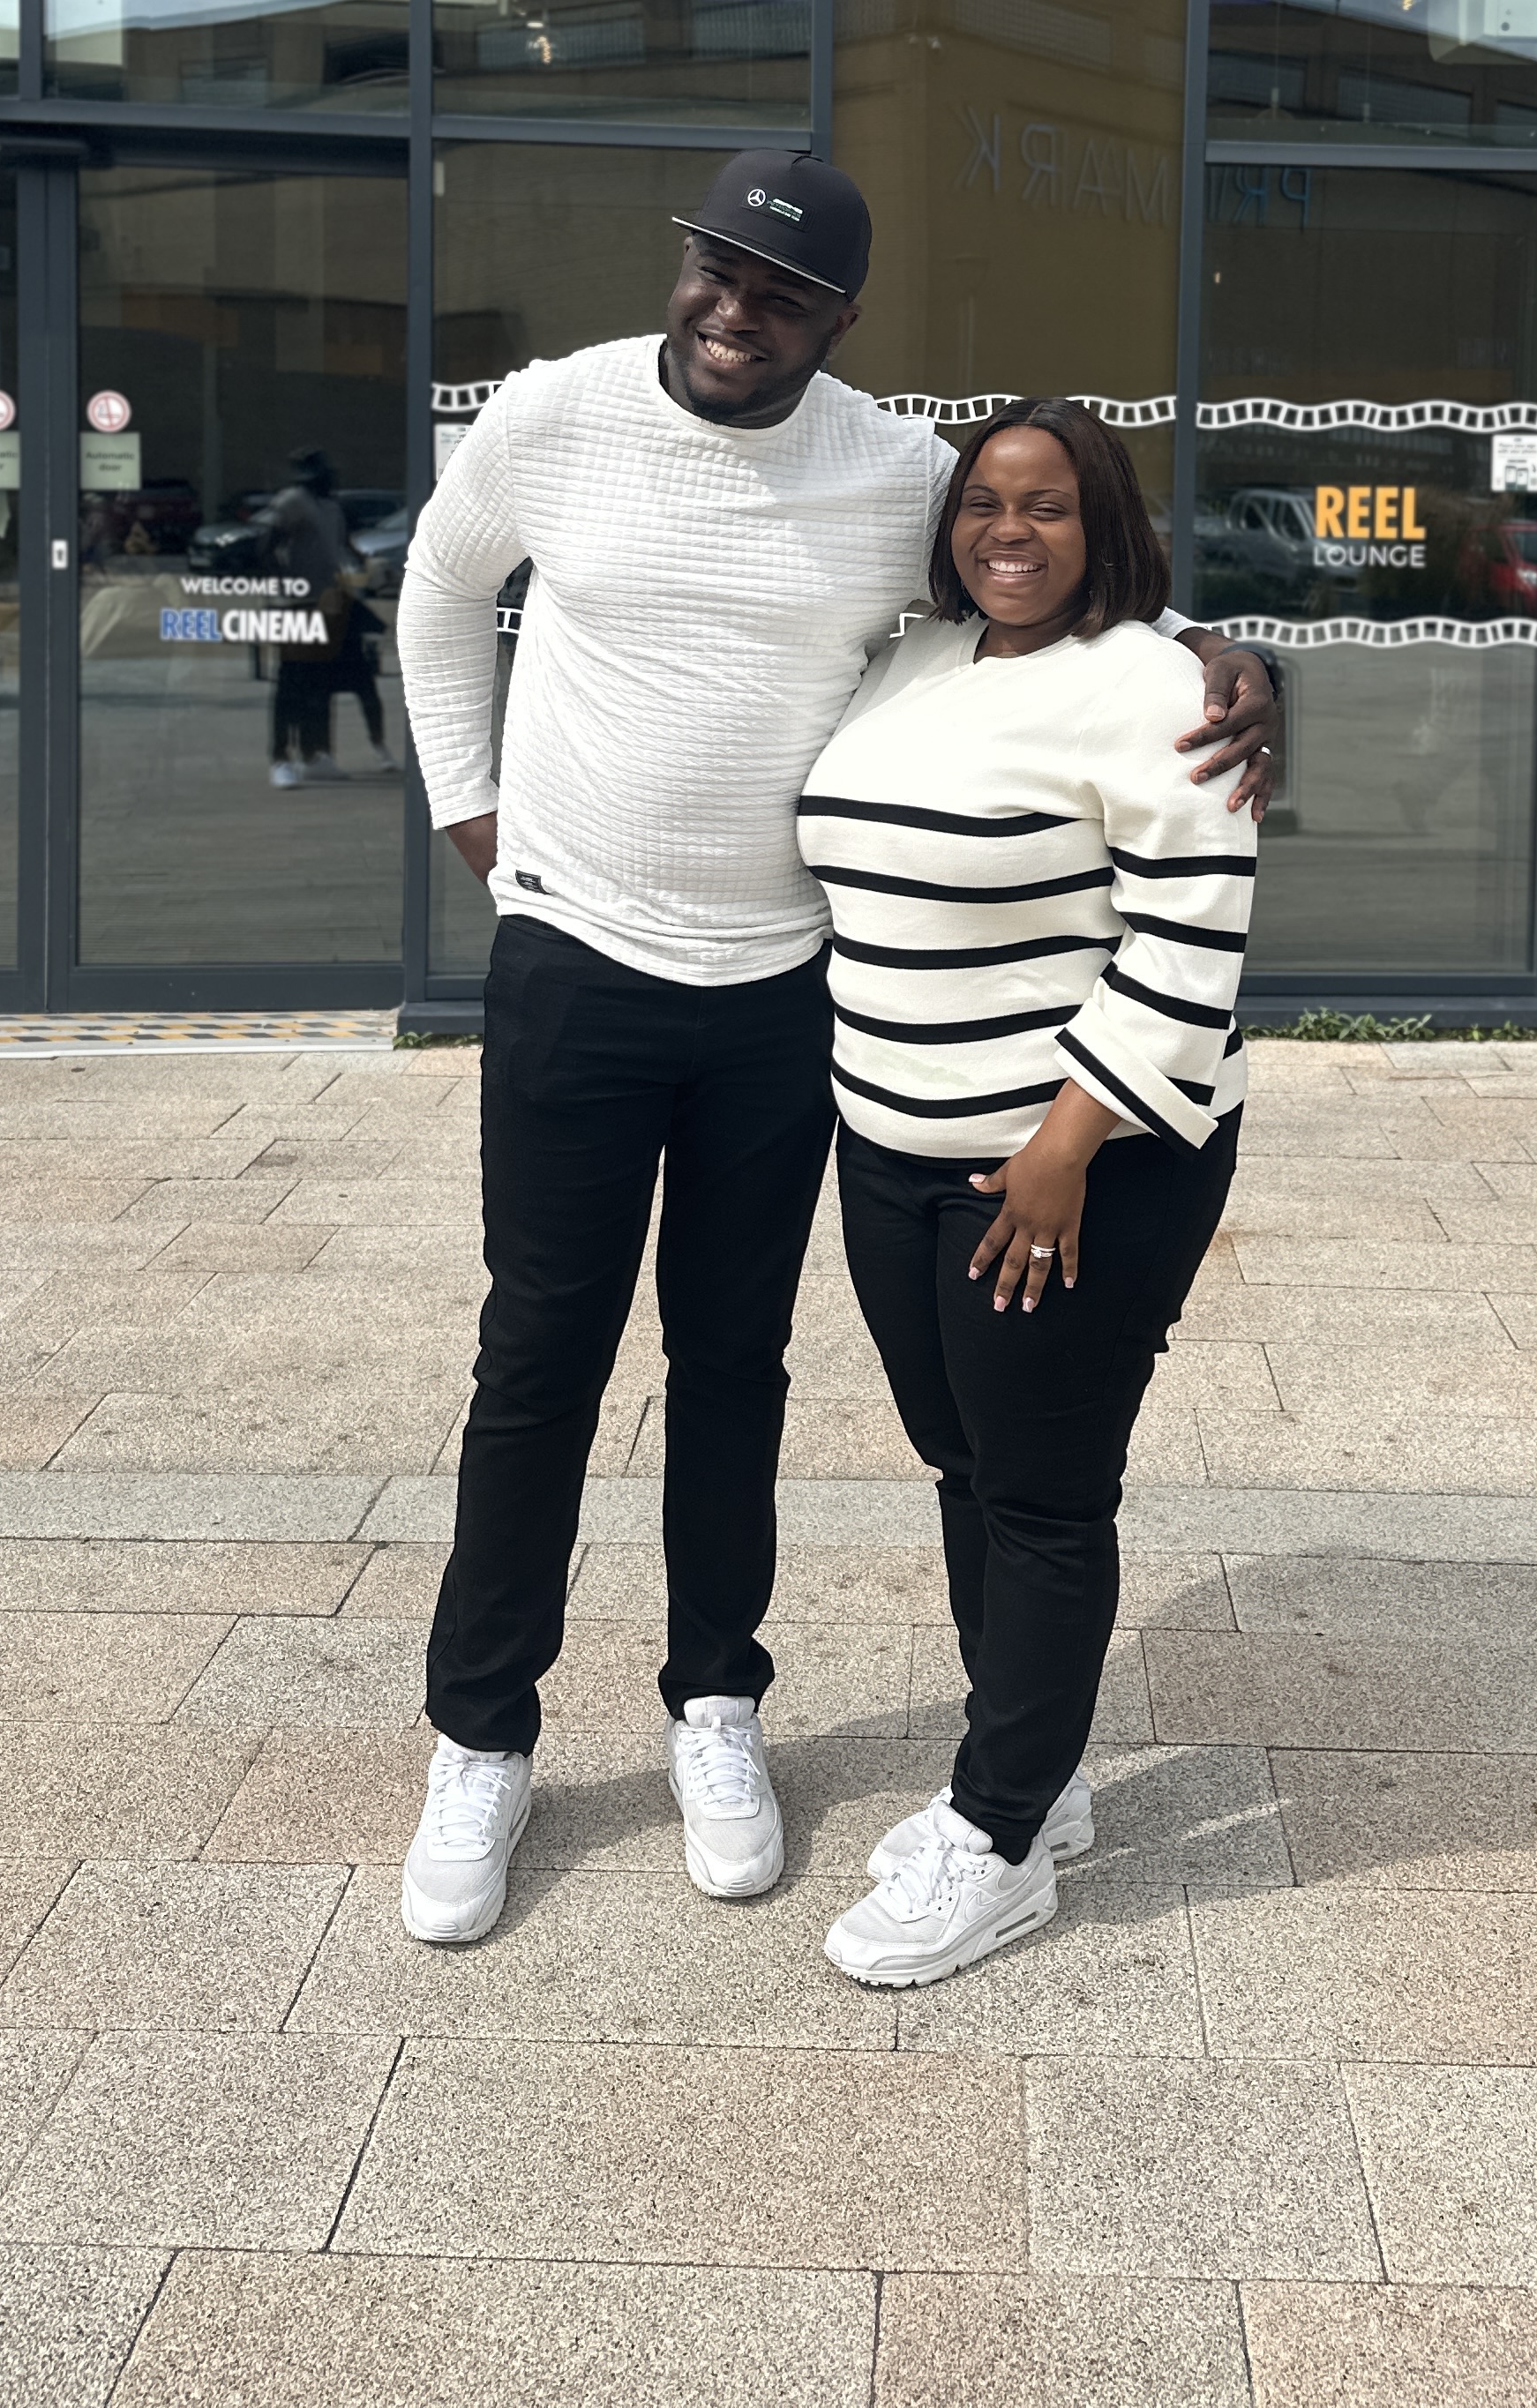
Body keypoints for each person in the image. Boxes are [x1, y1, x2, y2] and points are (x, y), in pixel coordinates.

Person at [390, 149, 1280, 1949]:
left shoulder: (894, 471)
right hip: (572, 964)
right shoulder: (554, 414)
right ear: (684, 264)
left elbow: (1044, 570)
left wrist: (1219, 652)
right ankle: (482, 1735)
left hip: (780, 995)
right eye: (715, 269)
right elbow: (435, 590)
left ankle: (716, 1700)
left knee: (734, 1361)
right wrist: (475, 818)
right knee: (538, 1354)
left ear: (840, 320)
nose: (736, 309)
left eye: (781, 292)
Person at [800, 401, 1256, 1986]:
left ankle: (995, 1840)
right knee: (961, 1462)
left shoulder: (1157, 687)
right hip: (886, 1146)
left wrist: (1066, 1145)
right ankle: (1034, 1771)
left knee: (1045, 1494)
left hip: (1075, 1165)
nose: (1009, 530)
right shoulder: (911, 660)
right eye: (983, 502)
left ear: (1102, 520)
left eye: (1047, 504)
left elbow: (1191, 933)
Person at [266, 449, 395, 787]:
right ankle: (281, 758)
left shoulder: (331, 509)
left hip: (326, 605)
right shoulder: (293, 502)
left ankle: (315, 753)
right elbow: (268, 544)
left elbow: (340, 549)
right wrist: (282, 581)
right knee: (291, 684)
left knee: (318, 683)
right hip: (295, 604)